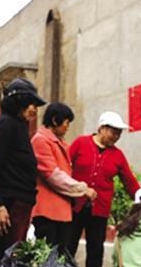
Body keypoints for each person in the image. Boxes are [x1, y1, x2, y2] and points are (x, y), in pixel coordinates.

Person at [67, 111, 140, 267]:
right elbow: (64, 167)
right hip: (73, 205)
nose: (116, 136)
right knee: (68, 245)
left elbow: (129, 181)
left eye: (119, 133)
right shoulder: (80, 143)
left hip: (99, 209)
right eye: (114, 132)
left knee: (95, 249)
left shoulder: (117, 155)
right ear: (101, 128)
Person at [0, 78, 47, 266]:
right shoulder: (6, 125)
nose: (34, 109)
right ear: (17, 102)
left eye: (35, 105)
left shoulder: (19, 125)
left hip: (21, 201)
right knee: (8, 258)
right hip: (8, 203)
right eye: (29, 104)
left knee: (15, 256)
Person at [30, 102, 97, 249]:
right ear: (55, 120)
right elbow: (54, 175)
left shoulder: (59, 143)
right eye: (66, 123)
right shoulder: (40, 140)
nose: (67, 127)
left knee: (60, 260)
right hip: (47, 212)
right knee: (48, 259)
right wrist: (82, 189)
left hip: (61, 212)